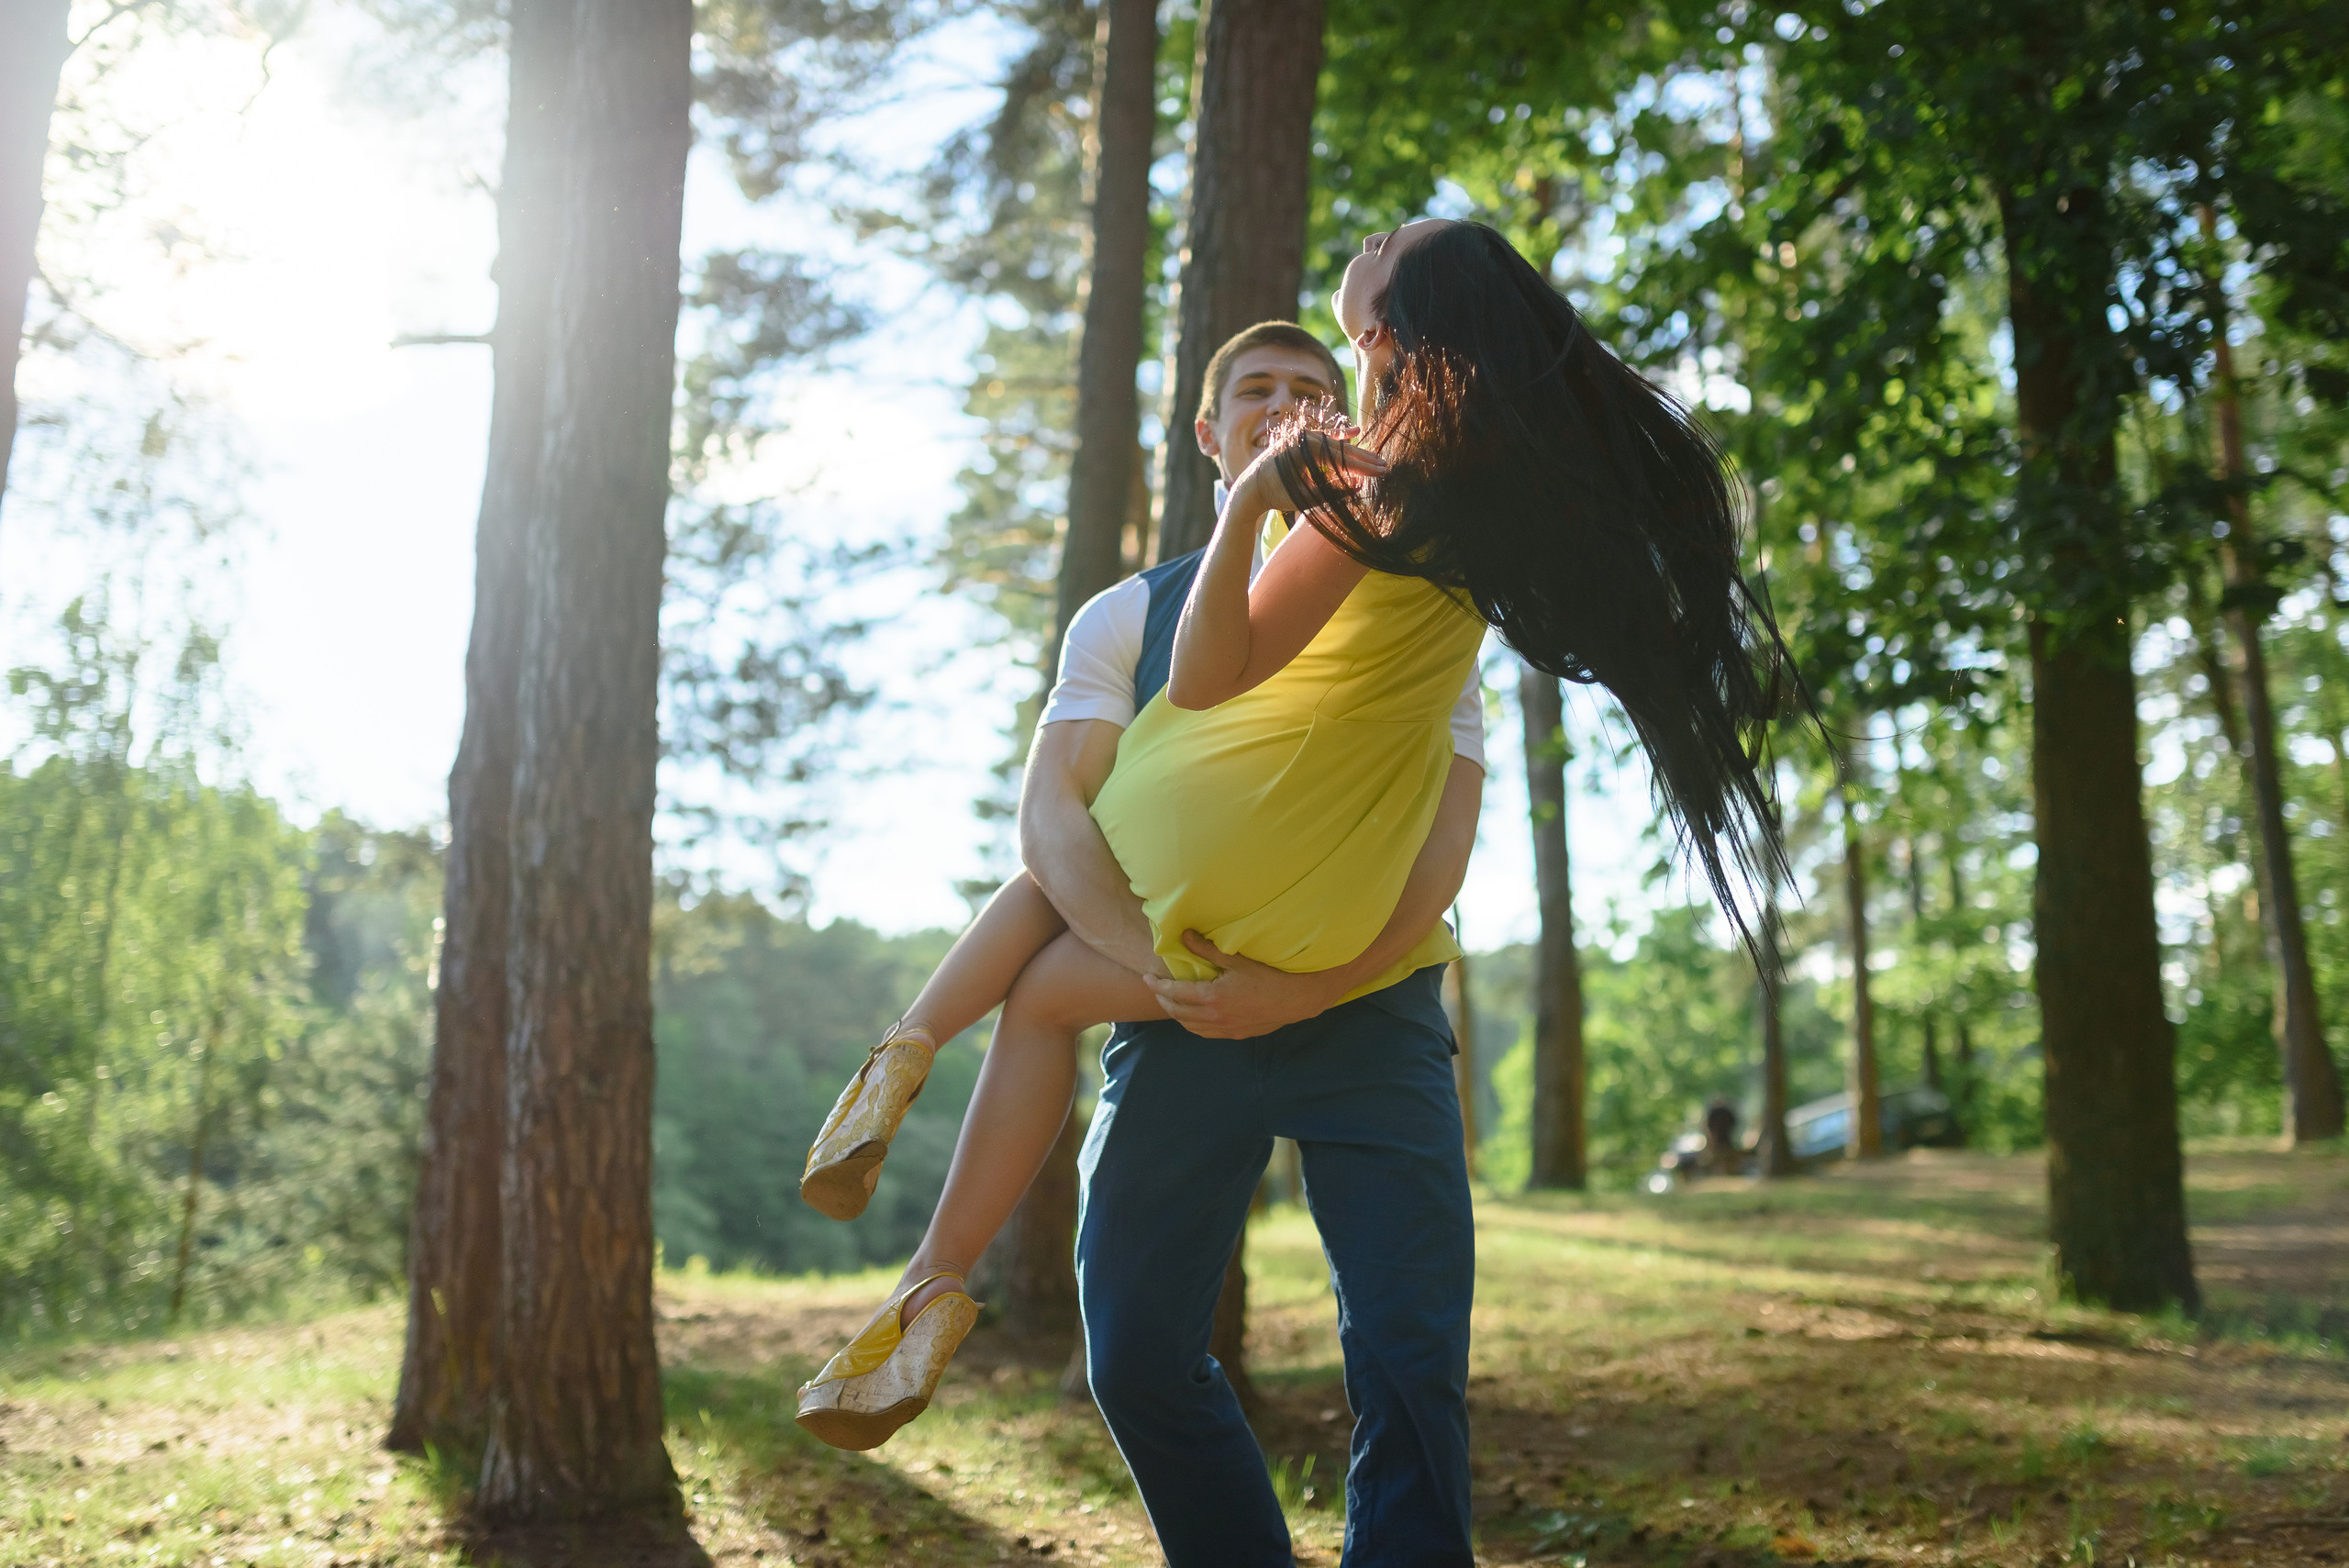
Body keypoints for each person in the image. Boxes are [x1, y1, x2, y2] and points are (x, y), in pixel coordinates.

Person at [798, 218, 1789, 1566]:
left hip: (1360, 1003)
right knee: (1137, 1351)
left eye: (1303, 379)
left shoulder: (1402, 508)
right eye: (1250, 398)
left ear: (1381, 350)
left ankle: (913, 1115)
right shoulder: (1144, 603)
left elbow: (1429, 834)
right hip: (1177, 989)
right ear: (1211, 436)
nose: (1280, 406)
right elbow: (1053, 821)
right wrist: (1164, 964)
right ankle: (922, 1207)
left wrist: (1301, 982)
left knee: (1407, 1354)